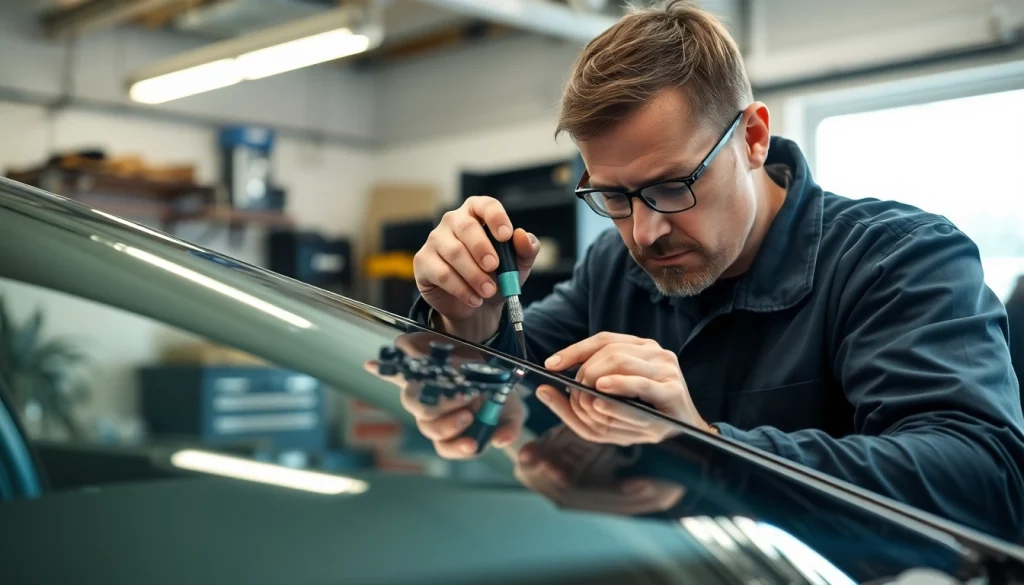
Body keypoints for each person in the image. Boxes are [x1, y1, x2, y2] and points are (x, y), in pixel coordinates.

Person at [405, 0, 1024, 541]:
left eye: (674, 186)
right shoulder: (615, 266)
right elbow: (512, 371)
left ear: (753, 138)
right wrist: (467, 322)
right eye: (613, 198)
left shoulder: (899, 259)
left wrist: (701, 446)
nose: (644, 233)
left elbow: (985, 479)